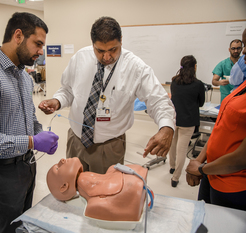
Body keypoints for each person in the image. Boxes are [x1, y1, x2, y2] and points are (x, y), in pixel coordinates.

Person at [0, 12, 59, 232]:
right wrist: (32, 142)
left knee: (22, 226)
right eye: (38, 44)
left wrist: (41, 133)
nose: (41, 51)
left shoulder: (24, 76)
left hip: (26, 167)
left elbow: (29, 116)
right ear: (18, 36)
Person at [39, 16, 175, 174]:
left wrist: (166, 128)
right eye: (100, 51)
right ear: (93, 44)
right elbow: (68, 90)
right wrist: (57, 101)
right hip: (76, 140)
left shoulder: (136, 68)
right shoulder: (80, 58)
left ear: (121, 41)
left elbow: (158, 101)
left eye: (113, 50)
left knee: (104, 195)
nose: (107, 57)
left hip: (109, 147)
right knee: (73, 189)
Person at [185, 29, 246, 211]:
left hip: (232, 183)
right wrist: (199, 162)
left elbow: (242, 158)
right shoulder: (241, 86)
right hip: (211, 174)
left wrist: (201, 168)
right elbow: (219, 130)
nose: (242, 53)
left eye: (243, 47)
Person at [46, 157, 148, 221]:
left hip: (130, 182)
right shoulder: (94, 203)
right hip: (128, 189)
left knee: (113, 168)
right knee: (94, 208)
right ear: (64, 186)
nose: (62, 160)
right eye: (58, 168)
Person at [169, 55, 205, 187]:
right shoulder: (198, 84)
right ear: (195, 67)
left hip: (174, 119)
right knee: (182, 150)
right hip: (188, 121)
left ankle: (172, 167)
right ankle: (175, 178)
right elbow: (201, 103)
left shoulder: (174, 82)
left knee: (172, 145)